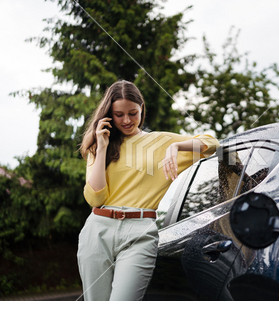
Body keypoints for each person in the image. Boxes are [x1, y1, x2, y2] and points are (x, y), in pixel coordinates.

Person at [77, 80, 219, 301]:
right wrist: (102, 147)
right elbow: (96, 198)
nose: (127, 120)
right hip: (98, 231)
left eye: (133, 113)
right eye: (119, 114)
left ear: (142, 108)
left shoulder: (160, 141)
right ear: (109, 116)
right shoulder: (98, 146)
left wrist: (176, 146)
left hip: (140, 233)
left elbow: (212, 143)